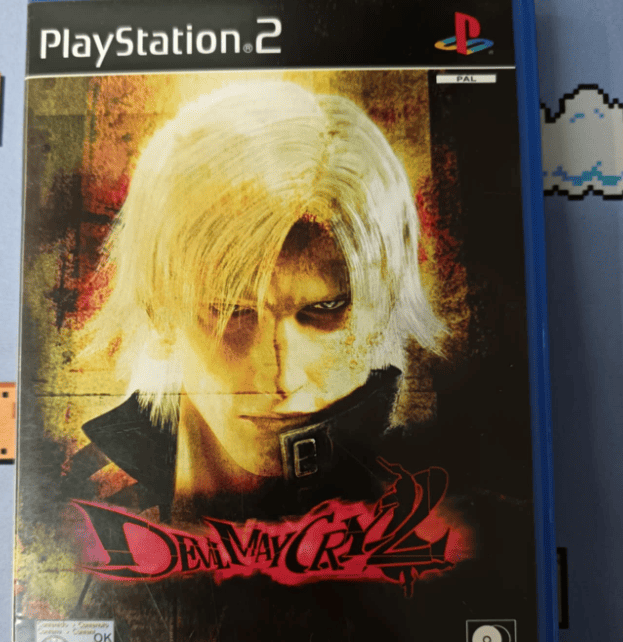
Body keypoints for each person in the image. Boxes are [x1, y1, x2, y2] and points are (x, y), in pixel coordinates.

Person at [65, 81, 446, 526]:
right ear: (159, 306)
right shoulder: (74, 511)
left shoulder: (443, 505)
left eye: (325, 310)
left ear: (382, 310)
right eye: (232, 310)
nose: (282, 377)